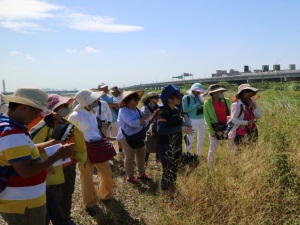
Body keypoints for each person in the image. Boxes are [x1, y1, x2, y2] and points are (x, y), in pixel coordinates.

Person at [0, 88, 73, 225]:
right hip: (24, 203)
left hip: (19, 200)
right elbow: (26, 170)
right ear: (24, 107)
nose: (38, 115)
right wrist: (58, 155)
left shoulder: (8, 126)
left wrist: (53, 143)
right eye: (37, 111)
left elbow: (27, 151)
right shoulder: (13, 133)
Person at [30, 94, 87, 225]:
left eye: (66, 105)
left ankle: (64, 219)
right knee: (52, 199)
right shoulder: (43, 126)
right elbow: (32, 148)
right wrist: (43, 164)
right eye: (62, 106)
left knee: (67, 193)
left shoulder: (66, 123)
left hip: (68, 165)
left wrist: (76, 158)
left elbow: (76, 141)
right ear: (52, 108)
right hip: (52, 169)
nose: (66, 108)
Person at [68, 90, 114, 217]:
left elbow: (94, 130)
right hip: (84, 149)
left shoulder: (91, 113)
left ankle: (107, 195)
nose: (96, 102)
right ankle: (90, 204)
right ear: (86, 102)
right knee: (86, 177)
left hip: (97, 146)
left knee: (107, 172)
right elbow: (70, 135)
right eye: (94, 100)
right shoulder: (75, 115)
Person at [156, 84, 194, 197]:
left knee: (175, 168)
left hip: (176, 143)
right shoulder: (162, 112)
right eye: (177, 96)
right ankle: (165, 194)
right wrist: (181, 128)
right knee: (167, 169)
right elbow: (161, 130)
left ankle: (172, 190)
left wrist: (185, 125)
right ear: (169, 99)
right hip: (165, 145)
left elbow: (177, 123)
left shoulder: (176, 110)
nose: (180, 98)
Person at [116, 90, 150, 183]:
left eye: (138, 99)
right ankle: (130, 176)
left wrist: (141, 121)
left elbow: (146, 121)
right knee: (130, 157)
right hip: (127, 137)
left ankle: (141, 174)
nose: (137, 101)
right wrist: (141, 121)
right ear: (127, 100)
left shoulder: (137, 109)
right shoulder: (123, 110)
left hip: (138, 135)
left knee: (141, 155)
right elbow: (132, 123)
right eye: (135, 99)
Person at [203, 84, 231, 168]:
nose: (221, 92)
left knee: (231, 146)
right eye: (219, 91)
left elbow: (232, 114)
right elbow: (207, 119)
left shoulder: (226, 101)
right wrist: (211, 131)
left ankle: (233, 163)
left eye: (222, 91)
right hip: (215, 128)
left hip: (228, 127)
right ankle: (210, 167)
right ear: (213, 93)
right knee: (213, 148)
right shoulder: (207, 103)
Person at [182, 83, 206, 156]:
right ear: (193, 90)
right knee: (190, 138)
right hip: (192, 120)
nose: (199, 92)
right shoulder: (186, 98)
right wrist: (196, 105)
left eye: (200, 91)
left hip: (202, 119)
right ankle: (188, 155)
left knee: (201, 137)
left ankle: (199, 154)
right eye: (197, 90)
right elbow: (185, 109)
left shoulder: (200, 97)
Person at [99, 83, 122, 153]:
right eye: (103, 88)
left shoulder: (111, 97)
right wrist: (110, 105)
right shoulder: (97, 98)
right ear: (99, 89)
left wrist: (105, 104)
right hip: (104, 121)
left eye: (106, 87)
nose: (105, 89)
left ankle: (120, 150)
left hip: (114, 119)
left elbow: (117, 105)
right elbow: (99, 105)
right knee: (106, 138)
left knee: (119, 136)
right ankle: (109, 152)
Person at [140, 92, 160, 164]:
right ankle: (144, 161)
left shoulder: (158, 106)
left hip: (157, 127)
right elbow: (143, 119)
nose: (157, 99)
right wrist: (151, 119)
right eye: (155, 97)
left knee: (158, 142)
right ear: (150, 99)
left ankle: (158, 160)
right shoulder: (145, 108)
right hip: (148, 128)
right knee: (148, 143)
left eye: (157, 97)